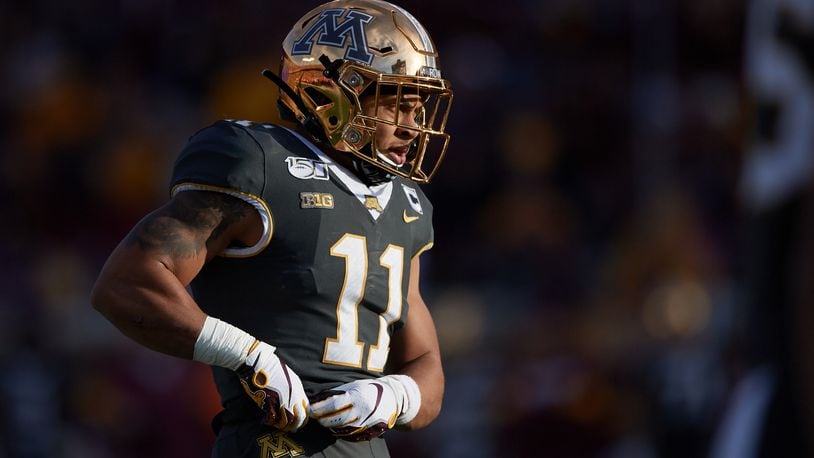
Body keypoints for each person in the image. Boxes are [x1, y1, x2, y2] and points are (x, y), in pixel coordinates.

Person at [90, 0, 453, 456]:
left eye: (419, 109)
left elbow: (426, 366)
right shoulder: (260, 162)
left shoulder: (408, 205)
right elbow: (125, 283)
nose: (413, 128)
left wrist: (395, 395)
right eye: (397, 104)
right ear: (335, 92)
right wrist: (243, 353)